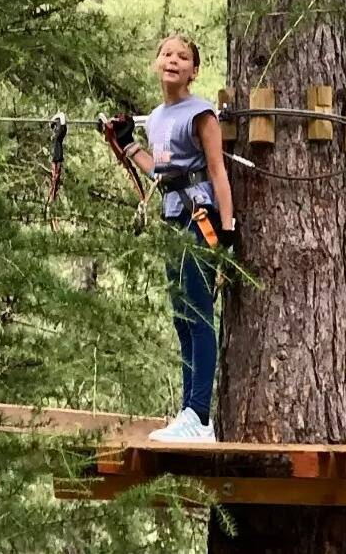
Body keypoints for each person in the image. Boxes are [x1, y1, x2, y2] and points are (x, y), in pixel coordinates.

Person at [106, 35, 237, 444]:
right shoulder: (157, 117)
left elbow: (217, 171)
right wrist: (127, 143)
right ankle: (189, 411)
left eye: (183, 57)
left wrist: (228, 228)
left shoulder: (201, 114)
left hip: (200, 220)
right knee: (181, 317)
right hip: (172, 220)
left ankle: (199, 416)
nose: (173, 61)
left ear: (194, 71)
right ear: (156, 63)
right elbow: (159, 171)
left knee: (198, 314)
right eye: (166, 54)